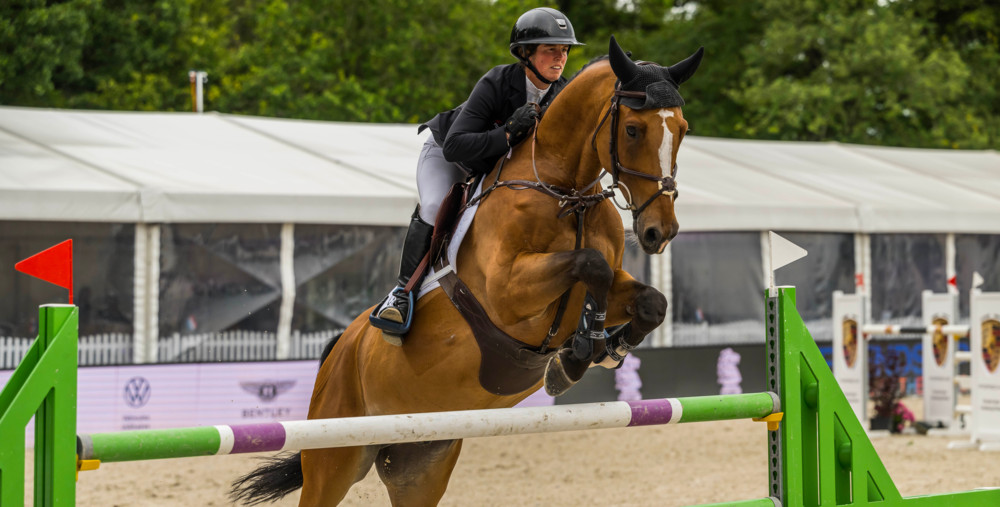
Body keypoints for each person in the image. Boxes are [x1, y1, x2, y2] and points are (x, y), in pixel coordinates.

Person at [370, 7, 584, 343]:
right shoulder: (497, 82)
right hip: (447, 156)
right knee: (432, 207)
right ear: (526, 54)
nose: (560, 58)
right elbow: (456, 146)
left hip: (493, 168)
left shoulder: (562, 94)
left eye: (565, 50)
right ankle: (401, 294)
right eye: (550, 50)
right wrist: (508, 134)